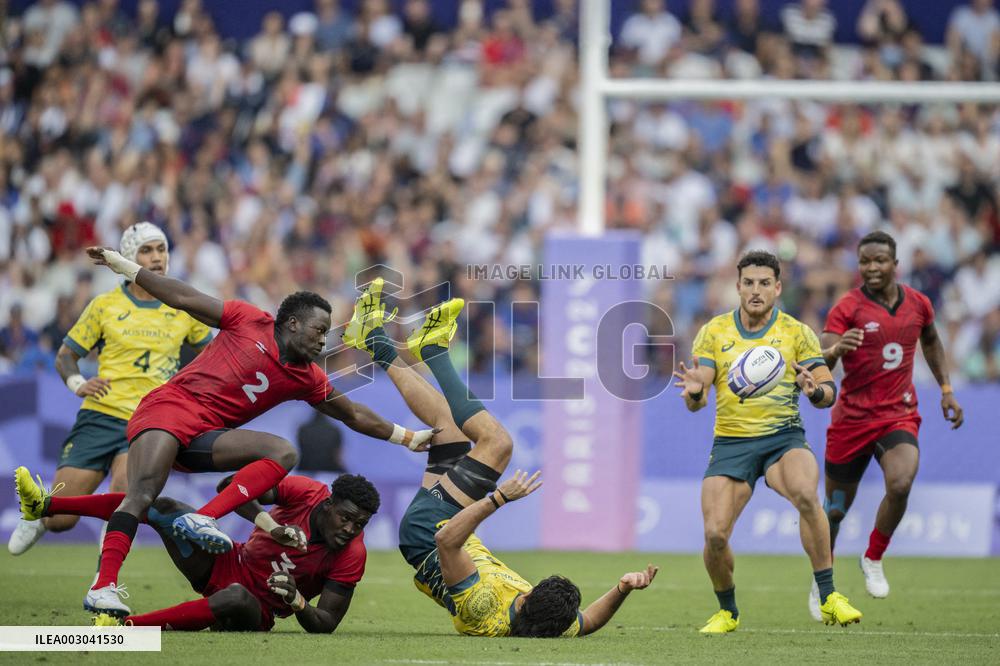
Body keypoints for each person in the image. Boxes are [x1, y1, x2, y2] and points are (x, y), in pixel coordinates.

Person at [22, 245, 435, 617]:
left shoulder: (305, 377)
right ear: (291, 323)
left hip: (205, 434)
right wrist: (125, 266)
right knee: (144, 495)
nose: (322, 342)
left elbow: (353, 413)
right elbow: (183, 298)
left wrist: (406, 436)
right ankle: (102, 585)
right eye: (318, 331)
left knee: (282, 453)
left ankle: (199, 518)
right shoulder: (248, 319)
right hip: (168, 410)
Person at [339, 279, 658, 637]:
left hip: (431, 535)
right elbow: (590, 621)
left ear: (525, 600)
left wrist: (499, 498)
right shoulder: (550, 623)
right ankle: (372, 339)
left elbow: (447, 542)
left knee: (497, 443)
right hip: (443, 533)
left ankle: (432, 350)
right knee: (450, 427)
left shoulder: (483, 605)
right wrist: (622, 589)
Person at [672, 250, 862, 633]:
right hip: (731, 442)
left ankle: (828, 598)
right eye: (748, 283)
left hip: (783, 438)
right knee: (714, 535)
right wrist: (695, 391)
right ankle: (728, 611)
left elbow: (828, 391)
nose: (755, 291)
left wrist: (814, 392)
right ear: (738, 286)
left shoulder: (797, 333)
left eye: (764, 283)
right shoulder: (714, 332)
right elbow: (699, 398)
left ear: (777, 288)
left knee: (808, 496)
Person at [8, 223, 214, 559]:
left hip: (148, 420)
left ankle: (103, 583)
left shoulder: (182, 306)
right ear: (130, 257)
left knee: (123, 499)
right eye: (146, 250)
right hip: (100, 414)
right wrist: (77, 382)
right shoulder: (105, 305)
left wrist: (187, 390)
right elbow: (65, 358)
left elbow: (213, 359)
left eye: (161, 249)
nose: (157, 257)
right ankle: (40, 518)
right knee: (61, 519)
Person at [15, 468, 377, 633]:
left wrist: (297, 601)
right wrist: (272, 525)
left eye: (359, 524)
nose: (350, 530)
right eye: (346, 519)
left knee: (236, 597)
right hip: (226, 561)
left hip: (258, 608)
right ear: (328, 505)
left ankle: (124, 628)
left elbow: (327, 622)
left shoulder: (352, 555)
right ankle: (46, 506)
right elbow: (230, 486)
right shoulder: (306, 492)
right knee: (161, 506)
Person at [820, 231, 963, 605]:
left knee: (900, 483)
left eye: (879, 260)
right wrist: (837, 348)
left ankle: (873, 556)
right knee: (834, 511)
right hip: (851, 420)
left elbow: (931, 339)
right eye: (865, 261)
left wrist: (946, 390)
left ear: (895, 264)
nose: (871, 267)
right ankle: (823, 580)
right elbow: (821, 362)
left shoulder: (918, 304)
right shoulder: (847, 307)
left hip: (896, 415)